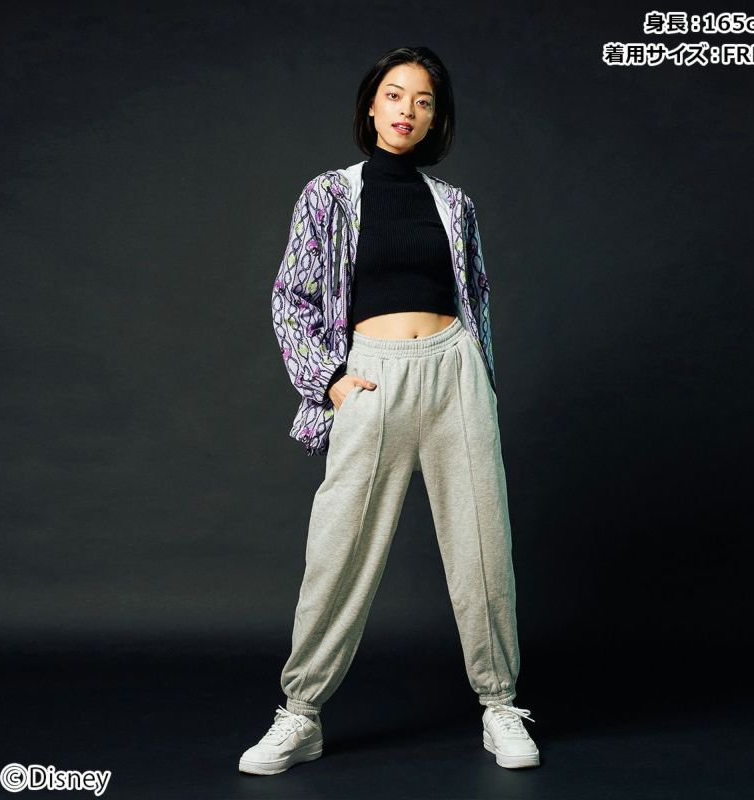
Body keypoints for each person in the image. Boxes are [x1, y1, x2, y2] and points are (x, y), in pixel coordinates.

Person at [239, 46, 539, 775]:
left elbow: (478, 300)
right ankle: (300, 714)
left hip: (454, 373)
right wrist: (329, 381)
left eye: (424, 100)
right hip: (370, 379)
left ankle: (500, 705)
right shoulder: (329, 195)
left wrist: (482, 383)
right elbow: (291, 297)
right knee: (338, 549)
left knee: (483, 546)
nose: (408, 109)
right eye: (395, 94)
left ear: (436, 119)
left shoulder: (455, 205)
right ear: (371, 105)